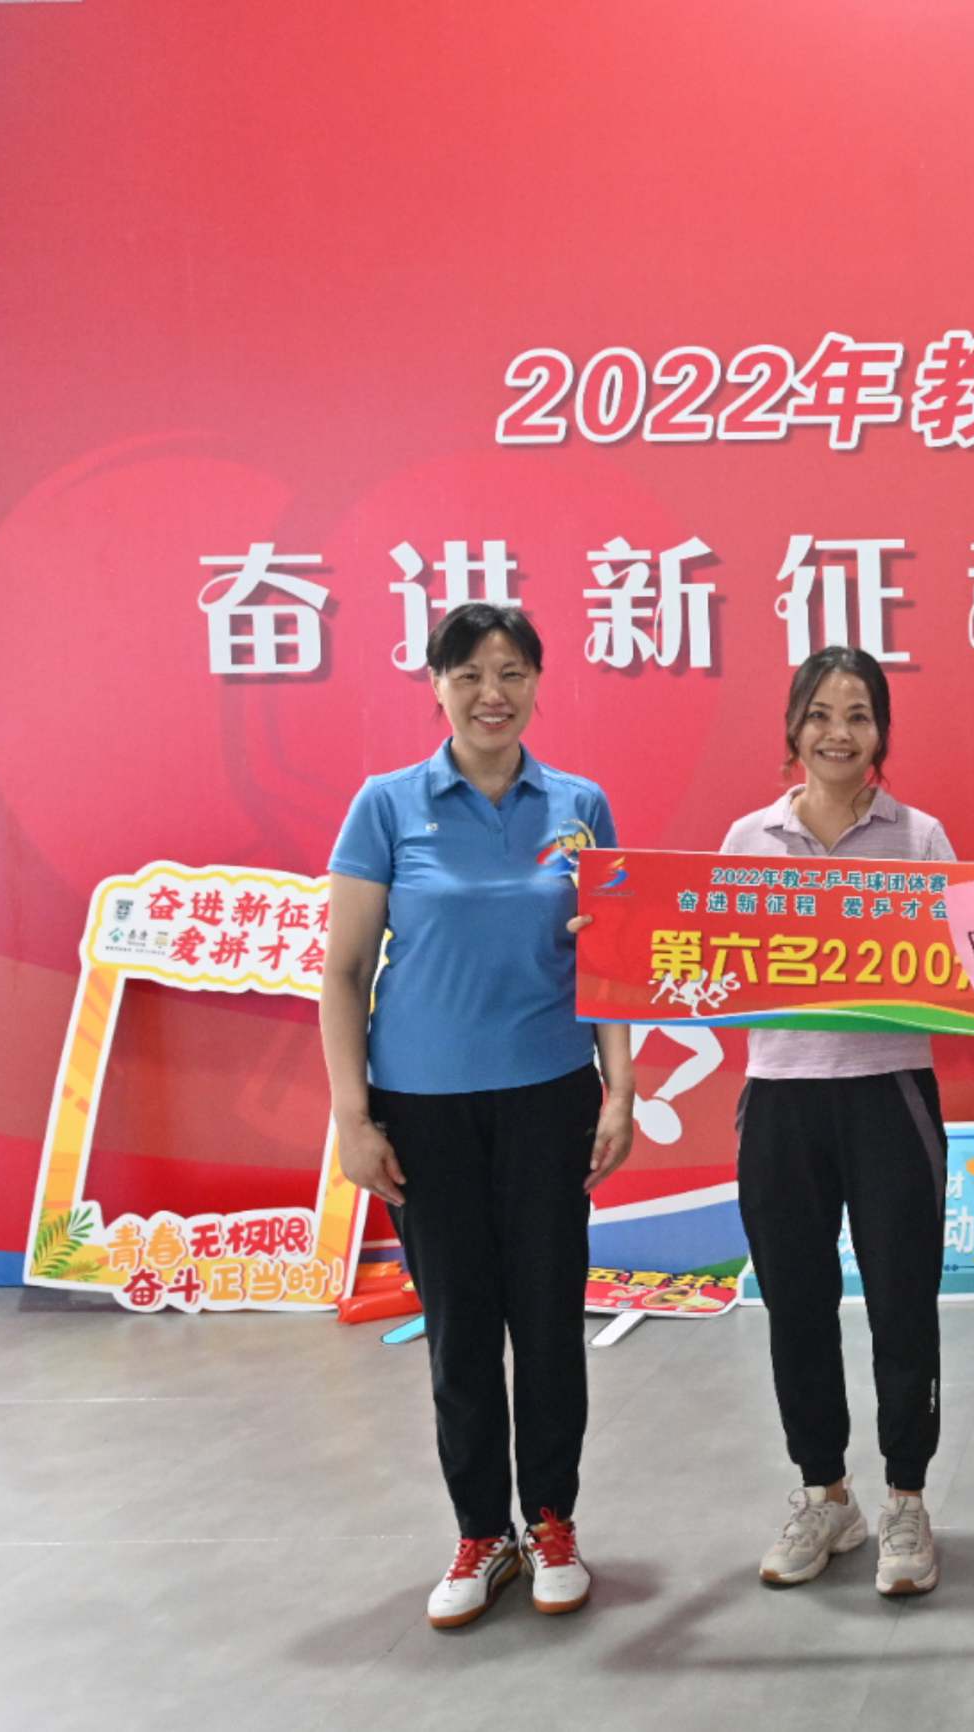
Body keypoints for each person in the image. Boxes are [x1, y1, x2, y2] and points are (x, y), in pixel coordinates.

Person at [320, 603, 635, 1630]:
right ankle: (479, 1532)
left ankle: (550, 1522)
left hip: (549, 1098)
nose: (491, 694)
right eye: (469, 675)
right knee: (459, 1330)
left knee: (547, 1320)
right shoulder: (386, 805)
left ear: (538, 682)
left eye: (511, 673)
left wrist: (621, 1088)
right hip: (423, 1111)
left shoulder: (579, 806)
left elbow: (612, 958)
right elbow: (343, 971)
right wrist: (354, 1117)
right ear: (438, 686)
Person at [723, 646, 956, 1597]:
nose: (838, 733)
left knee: (903, 1302)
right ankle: (827, 1495)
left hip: (889, 1093)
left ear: (881, 733)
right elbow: (708, 955)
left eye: (858, 715)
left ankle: (906, 1500)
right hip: (781, 1095)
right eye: (820, 714)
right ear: (793, 729)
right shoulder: (749, 839)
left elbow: (966, 959)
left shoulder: (921, 838)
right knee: (797, 1305)